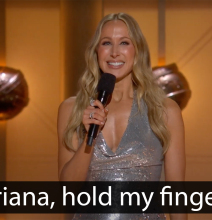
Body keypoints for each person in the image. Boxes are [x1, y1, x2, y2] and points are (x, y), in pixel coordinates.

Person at [57, 13, 186, 220]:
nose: (115, 53)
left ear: (137, 51)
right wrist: (89, 139)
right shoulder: (72, 109)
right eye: (106, 43)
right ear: (96, 52)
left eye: (124, 42)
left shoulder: (165, 110)